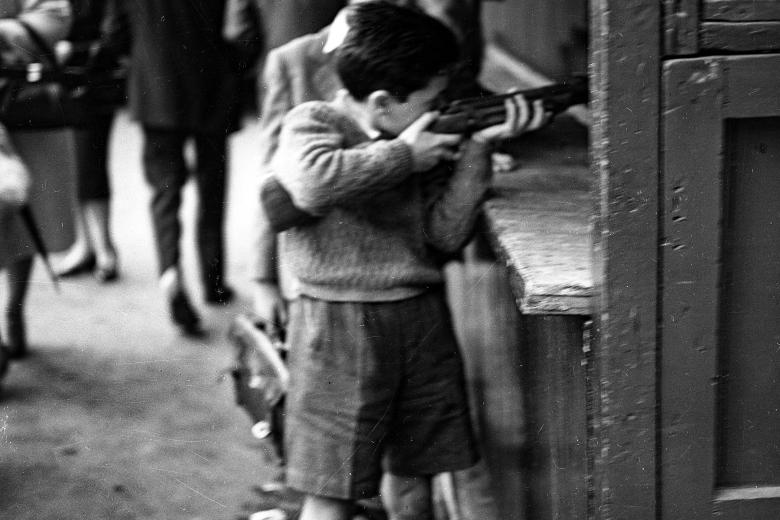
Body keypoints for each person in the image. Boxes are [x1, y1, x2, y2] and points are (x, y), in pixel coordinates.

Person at [267, 3, 545, 519]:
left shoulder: (416, 135)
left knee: (415, 475)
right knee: (331, 492)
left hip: (419, 318)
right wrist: (402, 157)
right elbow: (311, 182)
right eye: (431, 100)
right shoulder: (313, 121)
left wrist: (478, 153)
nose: (440, 110)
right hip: (338, 325)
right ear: (380, 102)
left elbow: (444, 235)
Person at [104, 0, 241, 335]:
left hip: (156, 90)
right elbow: (242, 29)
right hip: (212, 87)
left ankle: (169, 269)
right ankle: (214, 280)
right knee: (212, 190)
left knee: (165, 191)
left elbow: (114, 36)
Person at [0, 0, 72, 361]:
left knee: (23, 219)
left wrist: (7, 30)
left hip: (20, 105)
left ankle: (13, 308)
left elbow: (56, 17)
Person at [54, 0, 120, 283]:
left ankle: (104, 246)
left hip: (93, 84)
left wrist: (72, 50)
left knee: (91, 165)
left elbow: (113, 37)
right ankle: (86, 245)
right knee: (73, 167)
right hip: (61, 85)